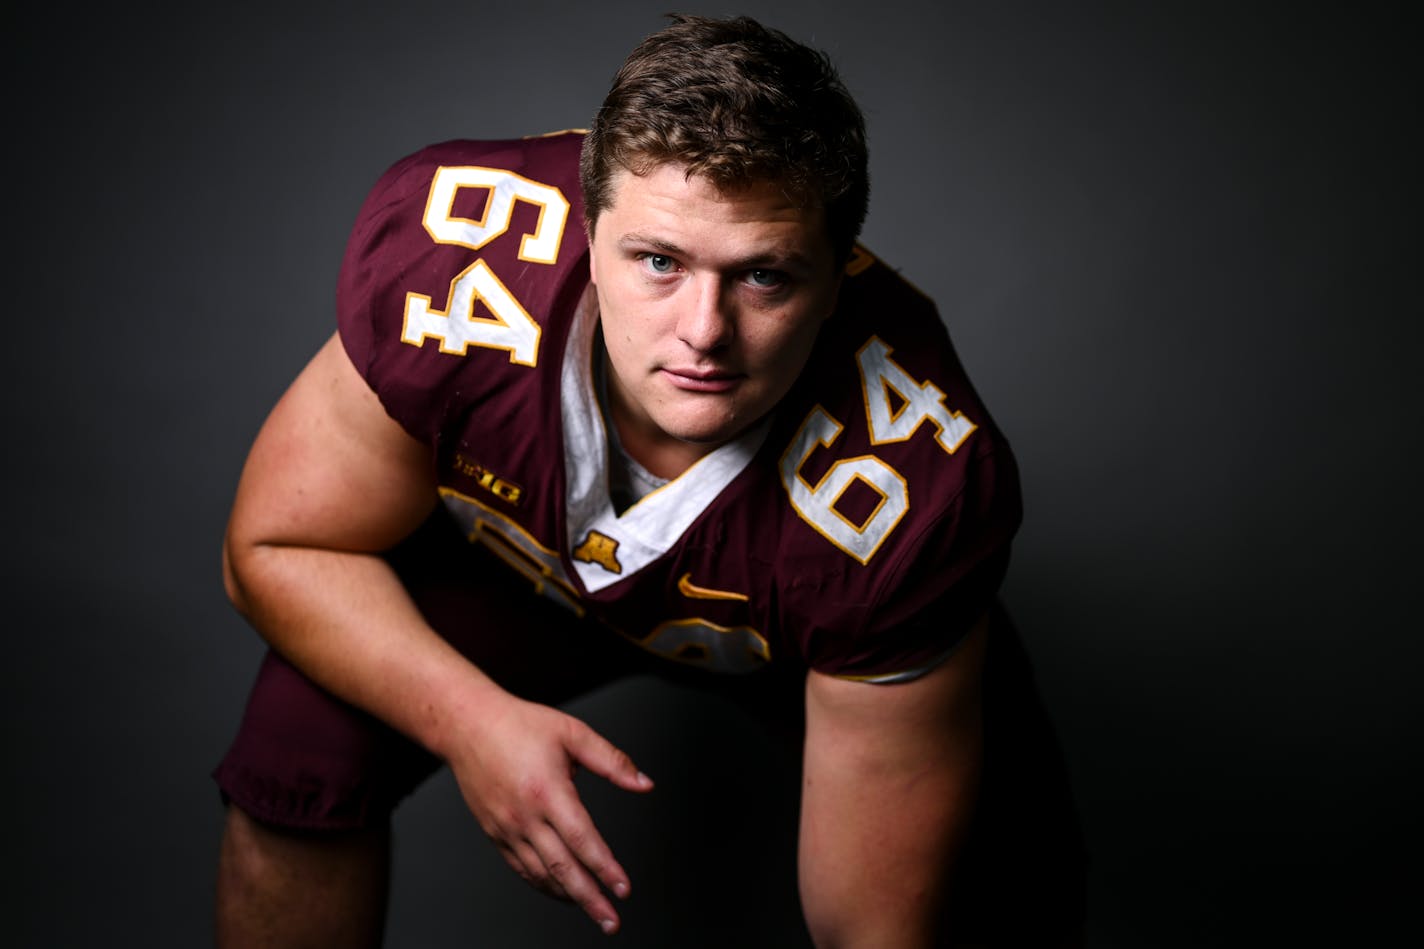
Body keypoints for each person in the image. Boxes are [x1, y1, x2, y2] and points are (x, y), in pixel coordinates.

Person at [213, 13, 1084, 947]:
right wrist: (472, 721)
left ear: (840, 282)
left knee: (992, 899)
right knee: (302, 725)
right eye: (659, 262)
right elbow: (275, 545)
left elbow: (868, 931)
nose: (704, 330)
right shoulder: (460, 262)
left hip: (807, 628)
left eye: (764, 279)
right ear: (589, 237)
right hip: (521, 570)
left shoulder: (915, 478)